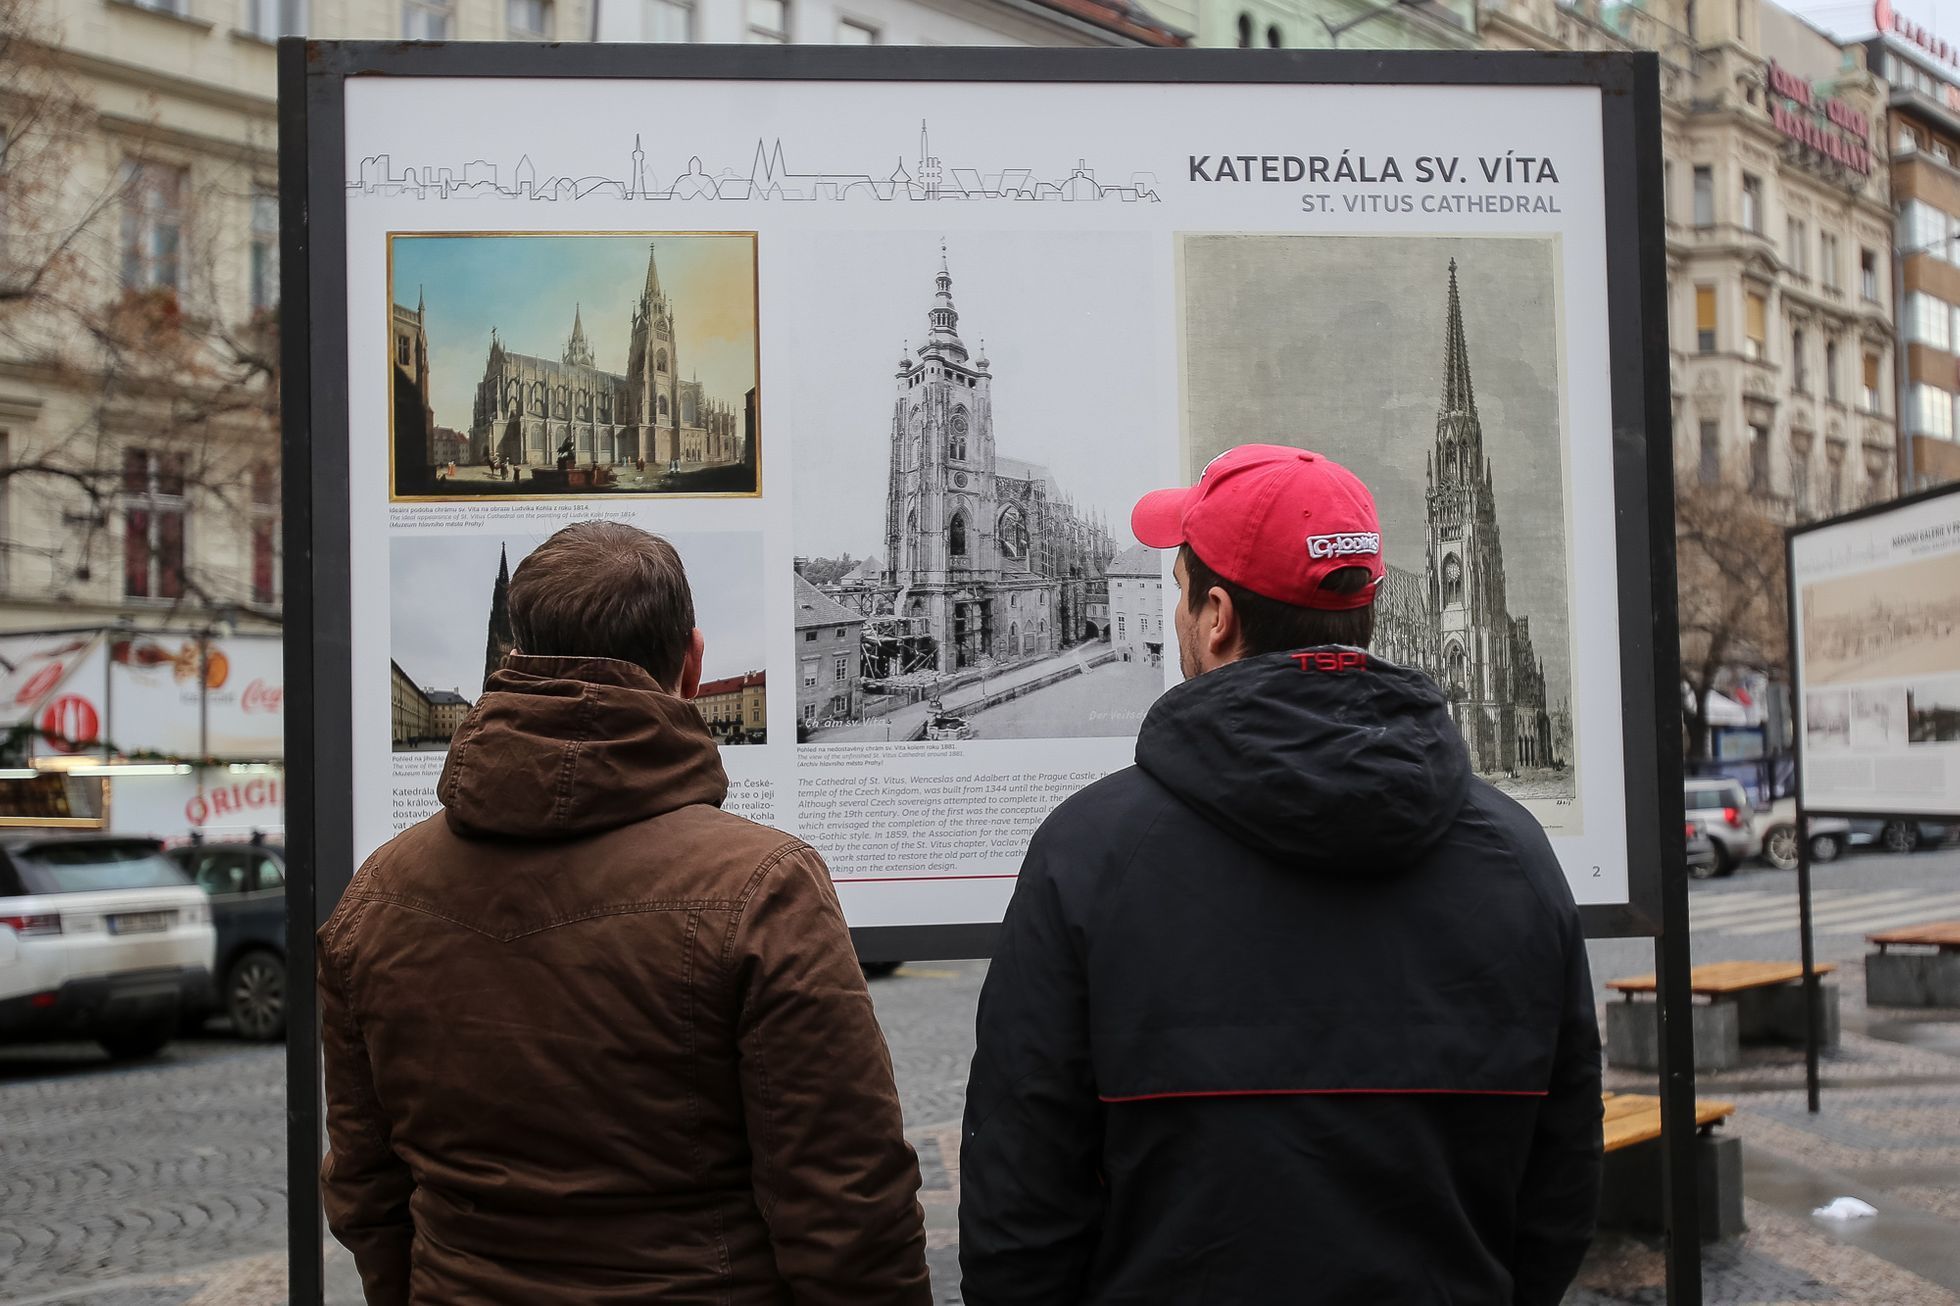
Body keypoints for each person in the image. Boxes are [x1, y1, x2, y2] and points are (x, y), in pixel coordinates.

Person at [959, 444, 1602, 1306]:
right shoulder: (1519, 856)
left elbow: (1019, 1213)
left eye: (1178, 590)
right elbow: (1556, 1198)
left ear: (1216, 615)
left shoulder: (1087, 856)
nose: (1175, 611)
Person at [320, 521, 930, 1305]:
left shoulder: (377, 893)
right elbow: (847, 1205)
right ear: (691, 662)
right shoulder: (763, 885)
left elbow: (367, 1189)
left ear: (512, 664)